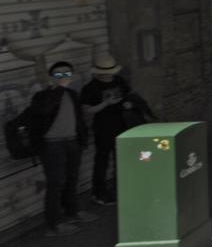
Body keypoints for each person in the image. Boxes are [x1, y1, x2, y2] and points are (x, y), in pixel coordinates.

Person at [28, 61, 98, 236]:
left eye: (67, 74)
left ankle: (72, 212)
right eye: (58, 75)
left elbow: (78, 118)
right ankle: (53, 224)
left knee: (72, 179)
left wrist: (82, 139)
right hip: (52, 144)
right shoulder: (42, 96)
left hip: (72, 141)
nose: (63, 78)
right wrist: (58, 88)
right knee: (56, 183)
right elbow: (43, 111)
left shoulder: (73, 94)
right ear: (51, 77)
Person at [79, 54, 134, 205]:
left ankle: (120, 189)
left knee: (121, 160)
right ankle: (99, 193)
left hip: (122, 125)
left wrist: (128, 104)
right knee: (102, 160)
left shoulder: (119, 81)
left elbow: (129, 96)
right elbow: (86, 110)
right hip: (103, 128)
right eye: (104, 73)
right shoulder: (90, 88)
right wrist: (105, 103)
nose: (107, 76)